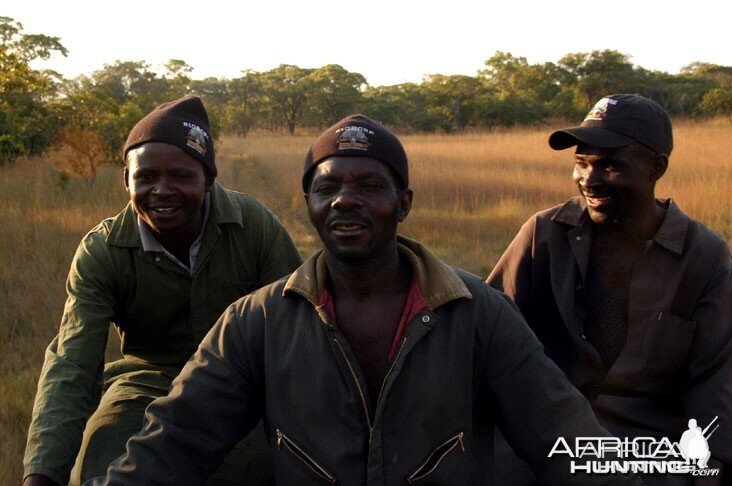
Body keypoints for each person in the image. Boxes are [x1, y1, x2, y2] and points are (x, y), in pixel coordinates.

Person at [90, 115, 639, 485]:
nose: (345, 201)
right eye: (327, 188)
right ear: (309, 203)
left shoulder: (478, 312)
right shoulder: (257, 321)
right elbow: (176, 439)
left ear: (403, 203)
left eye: (369, 187)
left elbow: (566, 437)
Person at [23, 95, 303, 486]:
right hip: (145, 380)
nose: (162, 190)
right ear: (127, 180)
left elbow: (300, 328)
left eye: (182, 176)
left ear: (208, 178)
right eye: (146, 176)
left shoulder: (252, 226)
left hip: (241, 383)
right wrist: (41, 474)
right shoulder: (103, 250)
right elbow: (72, 362)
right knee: (100, 464)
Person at [487, 94, 731, 485]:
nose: (589, 180)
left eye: (610, 166)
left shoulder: (704, 256)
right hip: (545, 437)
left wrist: (711, 464)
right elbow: (488, 333)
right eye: (581, 164)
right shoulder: (544, 235)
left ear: (657, 168)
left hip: (651, 448)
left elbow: (717, 379)